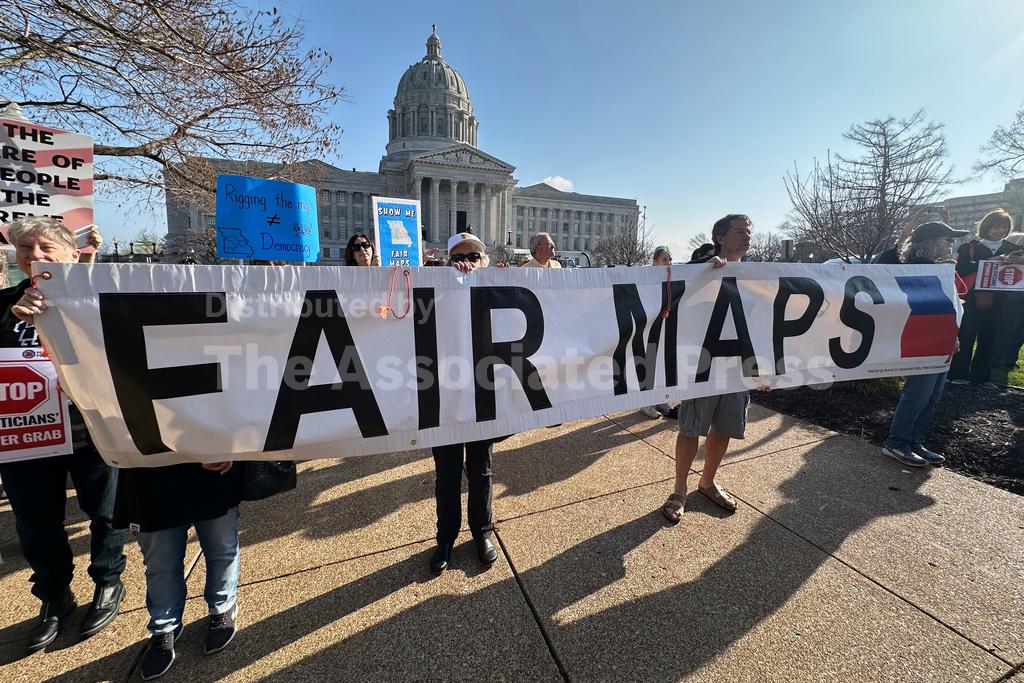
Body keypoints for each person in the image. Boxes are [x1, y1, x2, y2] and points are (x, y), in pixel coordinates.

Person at [3, 217, 128, 652]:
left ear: (73, 255)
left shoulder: (100, 299)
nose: (34, 257)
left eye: (45, 248)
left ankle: (108, 582)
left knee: (106, 512)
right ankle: (55, 597)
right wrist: (11, 320)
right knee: (36, 524)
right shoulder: (5, 304)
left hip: (91, 433)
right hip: (25, 439)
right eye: (25, 249)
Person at [663, 214, 755, 522]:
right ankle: (679, 490)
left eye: (749, 231)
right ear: (720, 237)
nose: (747, 236)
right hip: (703, 363)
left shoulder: (758, 276)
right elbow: (673, 299)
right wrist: (703, 271)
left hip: (736, 365)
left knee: (725, 427)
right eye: (739, 231)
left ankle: (707, 482)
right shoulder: (700, 269)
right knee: (691, 427)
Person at [118, 461, 244, 680]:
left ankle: (223, 605)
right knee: (160, 562)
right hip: (148, 474)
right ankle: (165, 626)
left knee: (220, 545)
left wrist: (231, 449)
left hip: (210, 465)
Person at [429, 233, 501, 573]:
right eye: (459, 257)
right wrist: (447, 280)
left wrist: (504, 280)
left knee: (481, 471)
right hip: (444, 398)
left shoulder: (496, 289)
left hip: (481, 397)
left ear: (484, 261)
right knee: (446, 475)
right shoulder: (438, 290)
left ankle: (482, 531)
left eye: (474, 256)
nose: (467, 263)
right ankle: (445, 537)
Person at [881, 221, 967, 467]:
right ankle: (897, 442)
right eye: (948, 240)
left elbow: (947, 307)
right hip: (923, 339)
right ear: (930, 243)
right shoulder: (912, 269)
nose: (952, 245)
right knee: (918, 393)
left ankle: (914, 441)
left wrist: (952, 335)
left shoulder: (939, 270)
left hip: (942, 340)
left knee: (932, 396)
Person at [949, 209, 1024, 386]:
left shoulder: (1014, 249)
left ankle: (982, 376)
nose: (1000, 231)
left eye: (1004, 227)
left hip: (1001, 300)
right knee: (966, 334)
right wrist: (990, 262)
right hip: (971, 298)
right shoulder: (969, 248)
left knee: (990, 335)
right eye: (996, 227)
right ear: (986, 227)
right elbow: (960, 270)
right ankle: (958, 373)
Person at [640, 246, 674, 419]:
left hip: (666, 325)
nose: (668, 263)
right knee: (650, 360)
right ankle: (646, 402)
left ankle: (660, 398)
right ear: (655, 262)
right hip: (651, 326)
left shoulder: (672, 277)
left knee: (662, 362)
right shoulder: (646, 279)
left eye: (670, 259)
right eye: (664, 259)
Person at [991, 231, 1024, 384]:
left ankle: (1008, 360)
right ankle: (997, 363)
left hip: (1017, 290)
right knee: (1008, 327)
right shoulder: (1017, 242)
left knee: (1020, 331)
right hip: (1016, 289)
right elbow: (1010, 258)